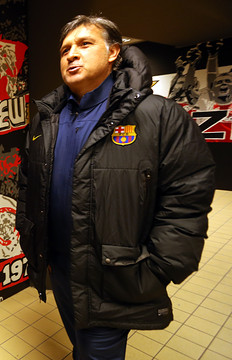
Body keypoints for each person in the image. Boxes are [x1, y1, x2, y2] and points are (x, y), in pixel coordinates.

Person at [16, 15, 216, 359]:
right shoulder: (45, 121)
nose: (71, 54)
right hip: (61, 268)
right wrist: (30, 237)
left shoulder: (159, 116)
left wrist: (158, 268)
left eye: (84, 44)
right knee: (81, 347)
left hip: (114, 275)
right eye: (65, 49)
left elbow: (188, 196)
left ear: (113, 52)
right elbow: (27, 185)